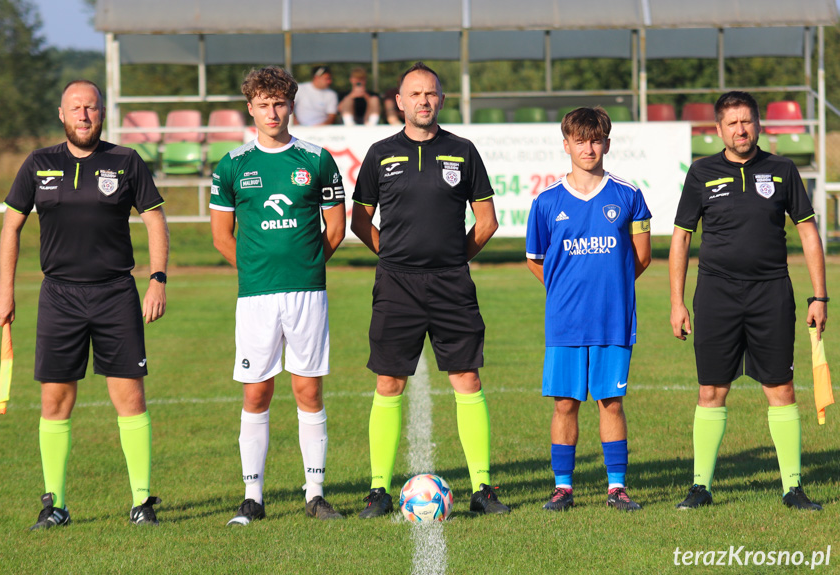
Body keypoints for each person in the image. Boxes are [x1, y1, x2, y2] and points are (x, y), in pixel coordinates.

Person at [0, 80, 169, 529]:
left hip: (115, 293)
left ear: (102, 113)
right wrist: (6, 291)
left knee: (129, 395)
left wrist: (157, 279)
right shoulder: (39, 163)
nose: (84, 115)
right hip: (59, 296)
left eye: (91, 108)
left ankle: (141, 502)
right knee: (55, 400)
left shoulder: (126, 161)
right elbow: (10, 228)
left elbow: (154, 219)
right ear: (62, 114)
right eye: (76, 108)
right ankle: (55, 504)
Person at [351, 61, 509, 517]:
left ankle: (483, 488)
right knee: (389, 381)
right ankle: (378, 490)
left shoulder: (463, 150)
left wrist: (453, 260)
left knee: (467, 378)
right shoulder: (381, 153)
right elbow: (360, 219)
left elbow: (487, 221)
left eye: (431, 93)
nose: (424, 100)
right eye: (414, 94)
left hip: (451, 284)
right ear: (399, 102)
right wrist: (391, 255)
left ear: (441, 100)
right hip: (396, 283)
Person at [669, 91, 827, 511]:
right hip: (717, 294)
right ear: (718, 130)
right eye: (732, 123)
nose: (741, 129)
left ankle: (792, 488)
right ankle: (700, 486)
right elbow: (682, 237)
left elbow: (809, 233)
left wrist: (819, 295)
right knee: (711, 390)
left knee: (781, 388)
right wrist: (677, 302)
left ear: (759, 124)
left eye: (748, 121)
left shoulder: (782, 169)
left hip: (771, 293)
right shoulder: (701, 172)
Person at [210, 66, 347, 524]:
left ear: (292, 106)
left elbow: (336, 228)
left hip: (307, 293)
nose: (273, 112)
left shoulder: (317, 160)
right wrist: (256, 272)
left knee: (308, 389)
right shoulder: (232, 165)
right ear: (250, 108)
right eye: (263, 104)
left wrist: (305, 266)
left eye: (280, 103)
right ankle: (253, 496)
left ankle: (315, 493)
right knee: (256, 393)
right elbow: (221, 237)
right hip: (256, 297)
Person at [525, 107, 652, 512]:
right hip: (564, 322)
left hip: (613, 318)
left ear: (607, 144)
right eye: (580, 140)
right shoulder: (546, 202)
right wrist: (564, 291)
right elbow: (535, 258)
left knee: (610, 402)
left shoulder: (628, 195)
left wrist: (609, 287)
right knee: (564, 403)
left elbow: (642, 257)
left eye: (595, 140)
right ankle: (563, 487)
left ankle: (616, 487)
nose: (588, 148)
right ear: (566, 145)